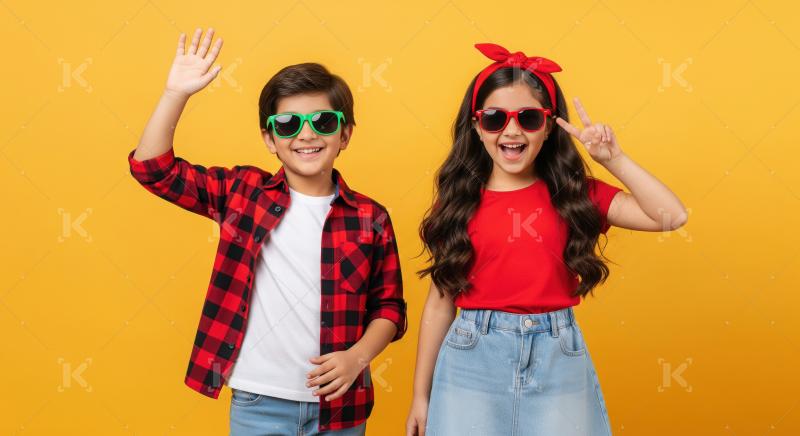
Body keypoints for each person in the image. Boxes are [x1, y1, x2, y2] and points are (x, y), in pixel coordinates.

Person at [128, 28, 407, 435]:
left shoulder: (370, 217)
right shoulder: (243, 194)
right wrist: (176, 94)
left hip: (341, 409)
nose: (306, 134)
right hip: (259, 402)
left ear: (344, 134)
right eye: (289, 124)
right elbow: (153, 170)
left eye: (323, 121)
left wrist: (358, 357)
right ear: (270, 139)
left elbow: (389, 307)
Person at [406, 43, 687, 436]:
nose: (512, 130)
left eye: (529, 118)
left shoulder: (575, 194)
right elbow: (439, 304)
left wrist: (612, 159)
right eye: (494, 119)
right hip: (471, 355)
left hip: (558, 353)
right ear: (475, 126)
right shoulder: (458, 201)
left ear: (550, 125)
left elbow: (671, 216)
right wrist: (421, 394)